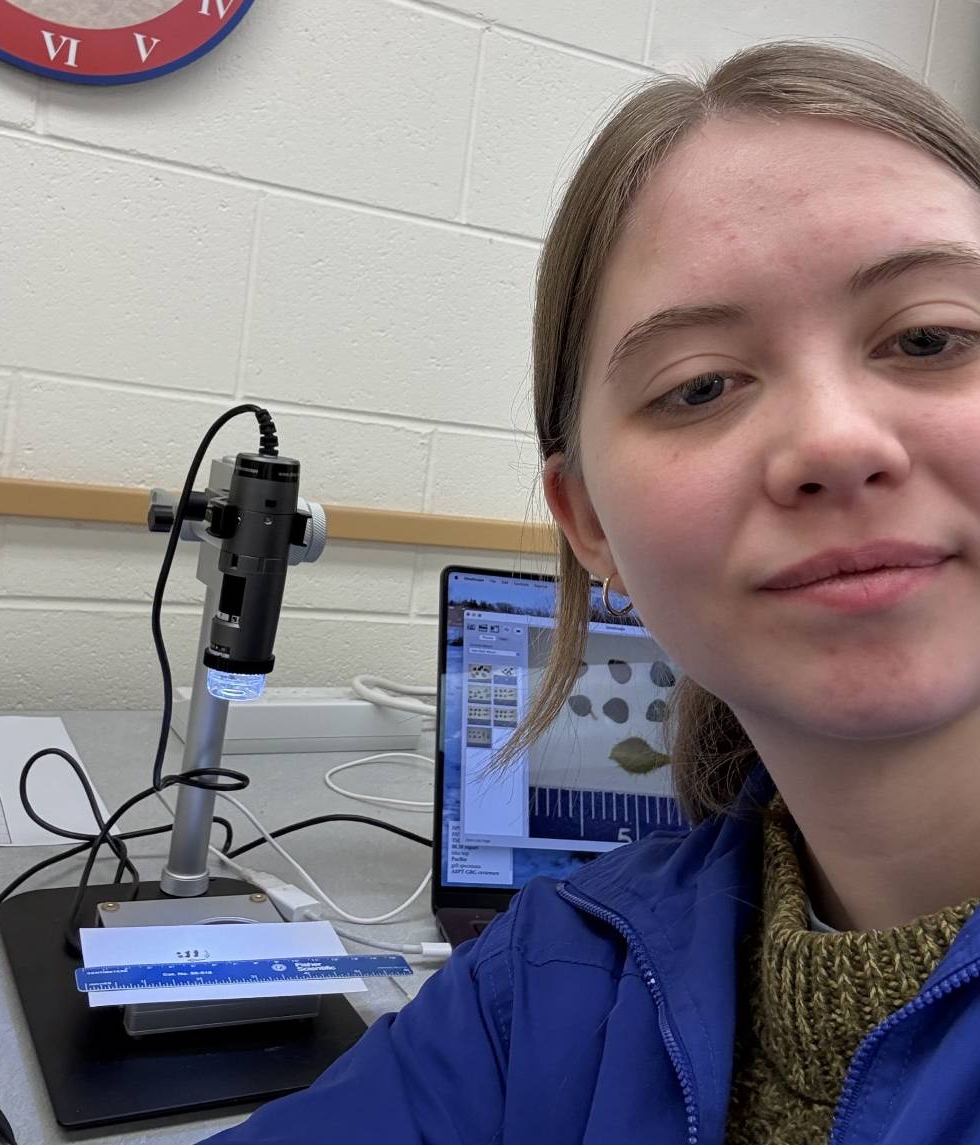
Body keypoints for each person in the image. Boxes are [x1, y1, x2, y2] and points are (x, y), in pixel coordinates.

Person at [201, 39, 980, 1144]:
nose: (833, 441)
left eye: (931, 337)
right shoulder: (545, 982)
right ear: (590, 525)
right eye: (699, 385)